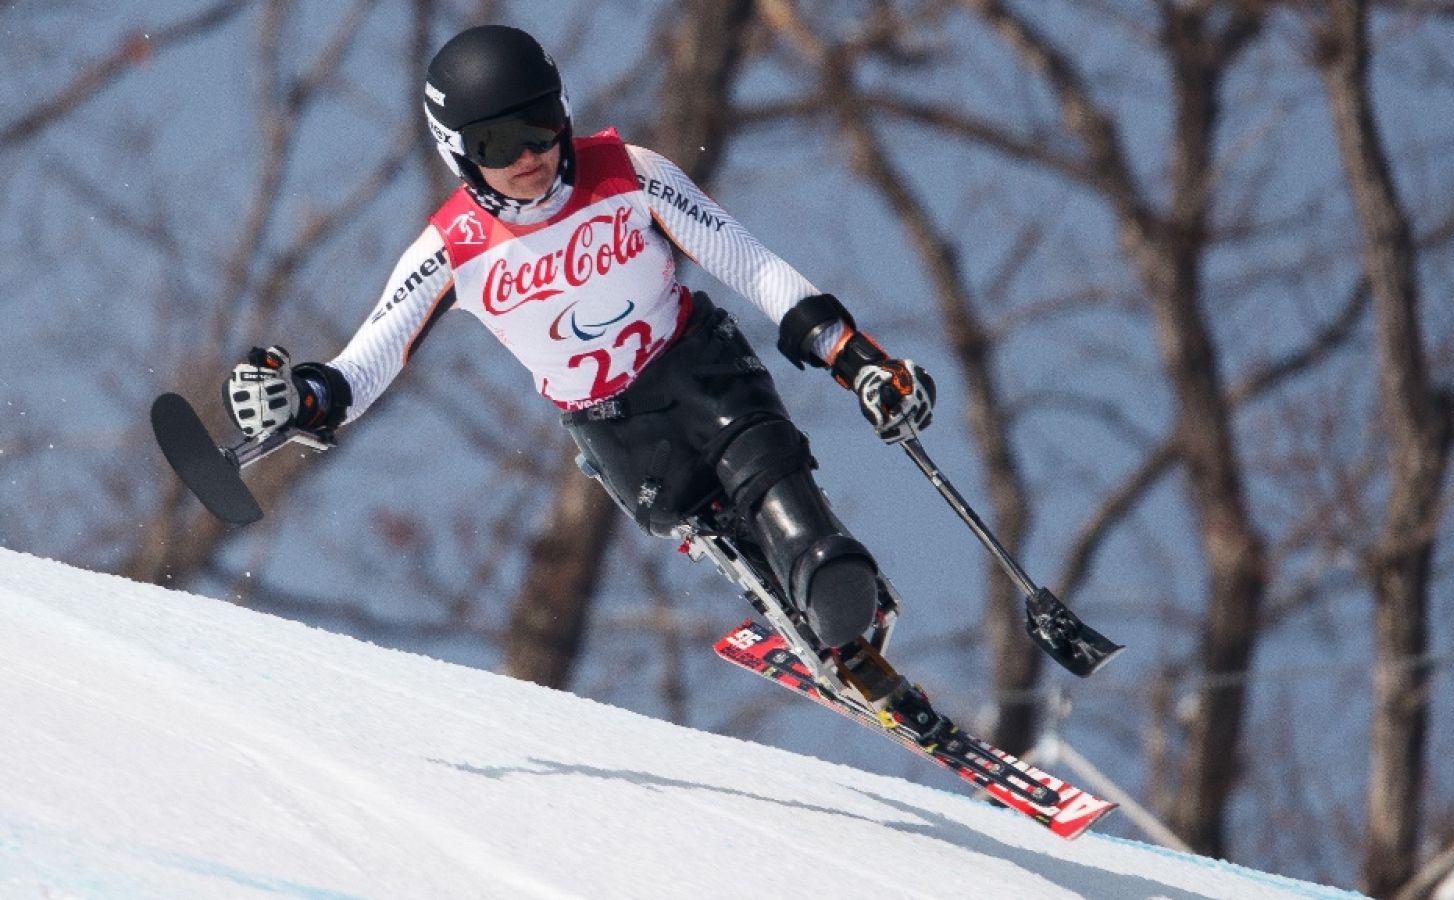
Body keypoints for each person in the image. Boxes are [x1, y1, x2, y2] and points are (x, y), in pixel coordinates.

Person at [222, 24, 934, 665]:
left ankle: (824, 567)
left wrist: (852, 355)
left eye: (540, 124)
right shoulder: (451, 249)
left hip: (697, 362)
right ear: (458, 154)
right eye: (497, 144)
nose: (529, 154)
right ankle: (784, 587)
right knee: (691, 508)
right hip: (612, 423)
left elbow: (748, 263)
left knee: (763, 458)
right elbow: (367, 362)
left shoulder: (628, 172)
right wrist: (304, 400)